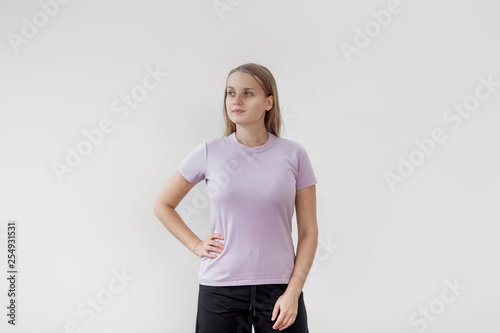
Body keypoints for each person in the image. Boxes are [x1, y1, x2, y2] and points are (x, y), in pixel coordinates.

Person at [153, 63, 318, 332]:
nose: (236, 100)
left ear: (269, 102)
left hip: (279, 290)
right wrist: (196, 245)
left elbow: (309, 232)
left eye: (247, 93)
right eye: (231, 93)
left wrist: (293, 293)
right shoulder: (209, 152)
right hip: (220, 288)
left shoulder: (294, 155)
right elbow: (163, 205)